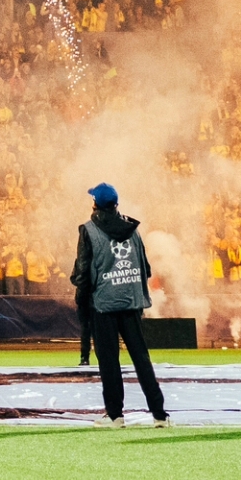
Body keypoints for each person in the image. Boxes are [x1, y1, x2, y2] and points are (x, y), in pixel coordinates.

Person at [70, 183, 171, 427]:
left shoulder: (89, 230)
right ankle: (160, 414)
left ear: (95, 204)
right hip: (131, 302)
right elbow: (145, 269)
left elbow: (82, 272)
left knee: (109, 361)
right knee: (141, 358)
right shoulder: (133, 230)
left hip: (103, 304)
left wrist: (82, 296)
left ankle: (115, 415)